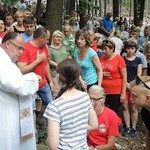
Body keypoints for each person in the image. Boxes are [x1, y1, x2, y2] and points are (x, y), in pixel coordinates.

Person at [44, 59, 98, 150]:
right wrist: (77, 130)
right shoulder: (84, 97)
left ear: (58, 76)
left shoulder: (54, 107)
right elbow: (94, 125)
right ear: (77, 77)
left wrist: (48, 140)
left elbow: (53, 146)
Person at [0, 32, 41, 150]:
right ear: (8, 44)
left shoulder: (7, 61)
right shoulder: (1, 61)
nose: (21, 52)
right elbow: (16, 84)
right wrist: (33, 78)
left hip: (13, 110)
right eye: (19, 48)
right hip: (6, 113)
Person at [17, 27, 53, 107]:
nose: (48, 41)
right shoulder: (25, 48)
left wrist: (50, 81)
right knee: (31, 110)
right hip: (29, 84)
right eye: (47, 39)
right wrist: (37, 61)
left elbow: (46, 64)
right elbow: (22, 70)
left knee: (51, 107)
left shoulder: (44, 47)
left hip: (43, 84)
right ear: (41, 38)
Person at [87, 85, 121, 150]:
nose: (91, 102)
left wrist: (94, 149)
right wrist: (92, 117)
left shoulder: (111, 115)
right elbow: (81, 136)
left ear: (103, 100)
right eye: (89, 98)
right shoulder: (84, 112)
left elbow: (110, 145)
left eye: (94, 99)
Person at [100, 39, 127, 115]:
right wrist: (102, 73)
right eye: (102, 49)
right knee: (103, 111)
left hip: (115, 90)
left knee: (114, 111)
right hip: (103, 90)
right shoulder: (102, 58)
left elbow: (124, 76)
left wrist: (123, 93)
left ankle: (115, 126)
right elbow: (98, 71)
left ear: (112, 49)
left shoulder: (119, 59)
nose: (103, 51)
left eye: (105, 49)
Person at [122, 40, 142, 138]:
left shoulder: (138, 60)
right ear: (125, 49)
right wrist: (125, 83)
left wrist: (131, 85)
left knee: (134, 108)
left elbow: (139, 74)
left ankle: (134, 128)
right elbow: (120, 72)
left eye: (132, 48)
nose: (130, 50)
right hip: (123, 85)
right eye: (128, 48)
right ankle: (127, 127)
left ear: (135, 49)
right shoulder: (122, 59)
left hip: (134, 86)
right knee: (125, 106)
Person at [49, 30, 71, 98]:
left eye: (60, 37)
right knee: (57, 92)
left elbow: (70, 56)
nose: (58, 38)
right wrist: (57, 65)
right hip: (55, 73)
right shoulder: (49, 48)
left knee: (67, 91)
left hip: (66, 71)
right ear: (53, 37)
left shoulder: (65, 47)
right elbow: (48, 60)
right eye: (57, 37)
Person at [130, 76, 150, 150]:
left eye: (134, 96)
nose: (131, 99)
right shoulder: (145, 111)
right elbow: (149, 129)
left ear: (148, 98)